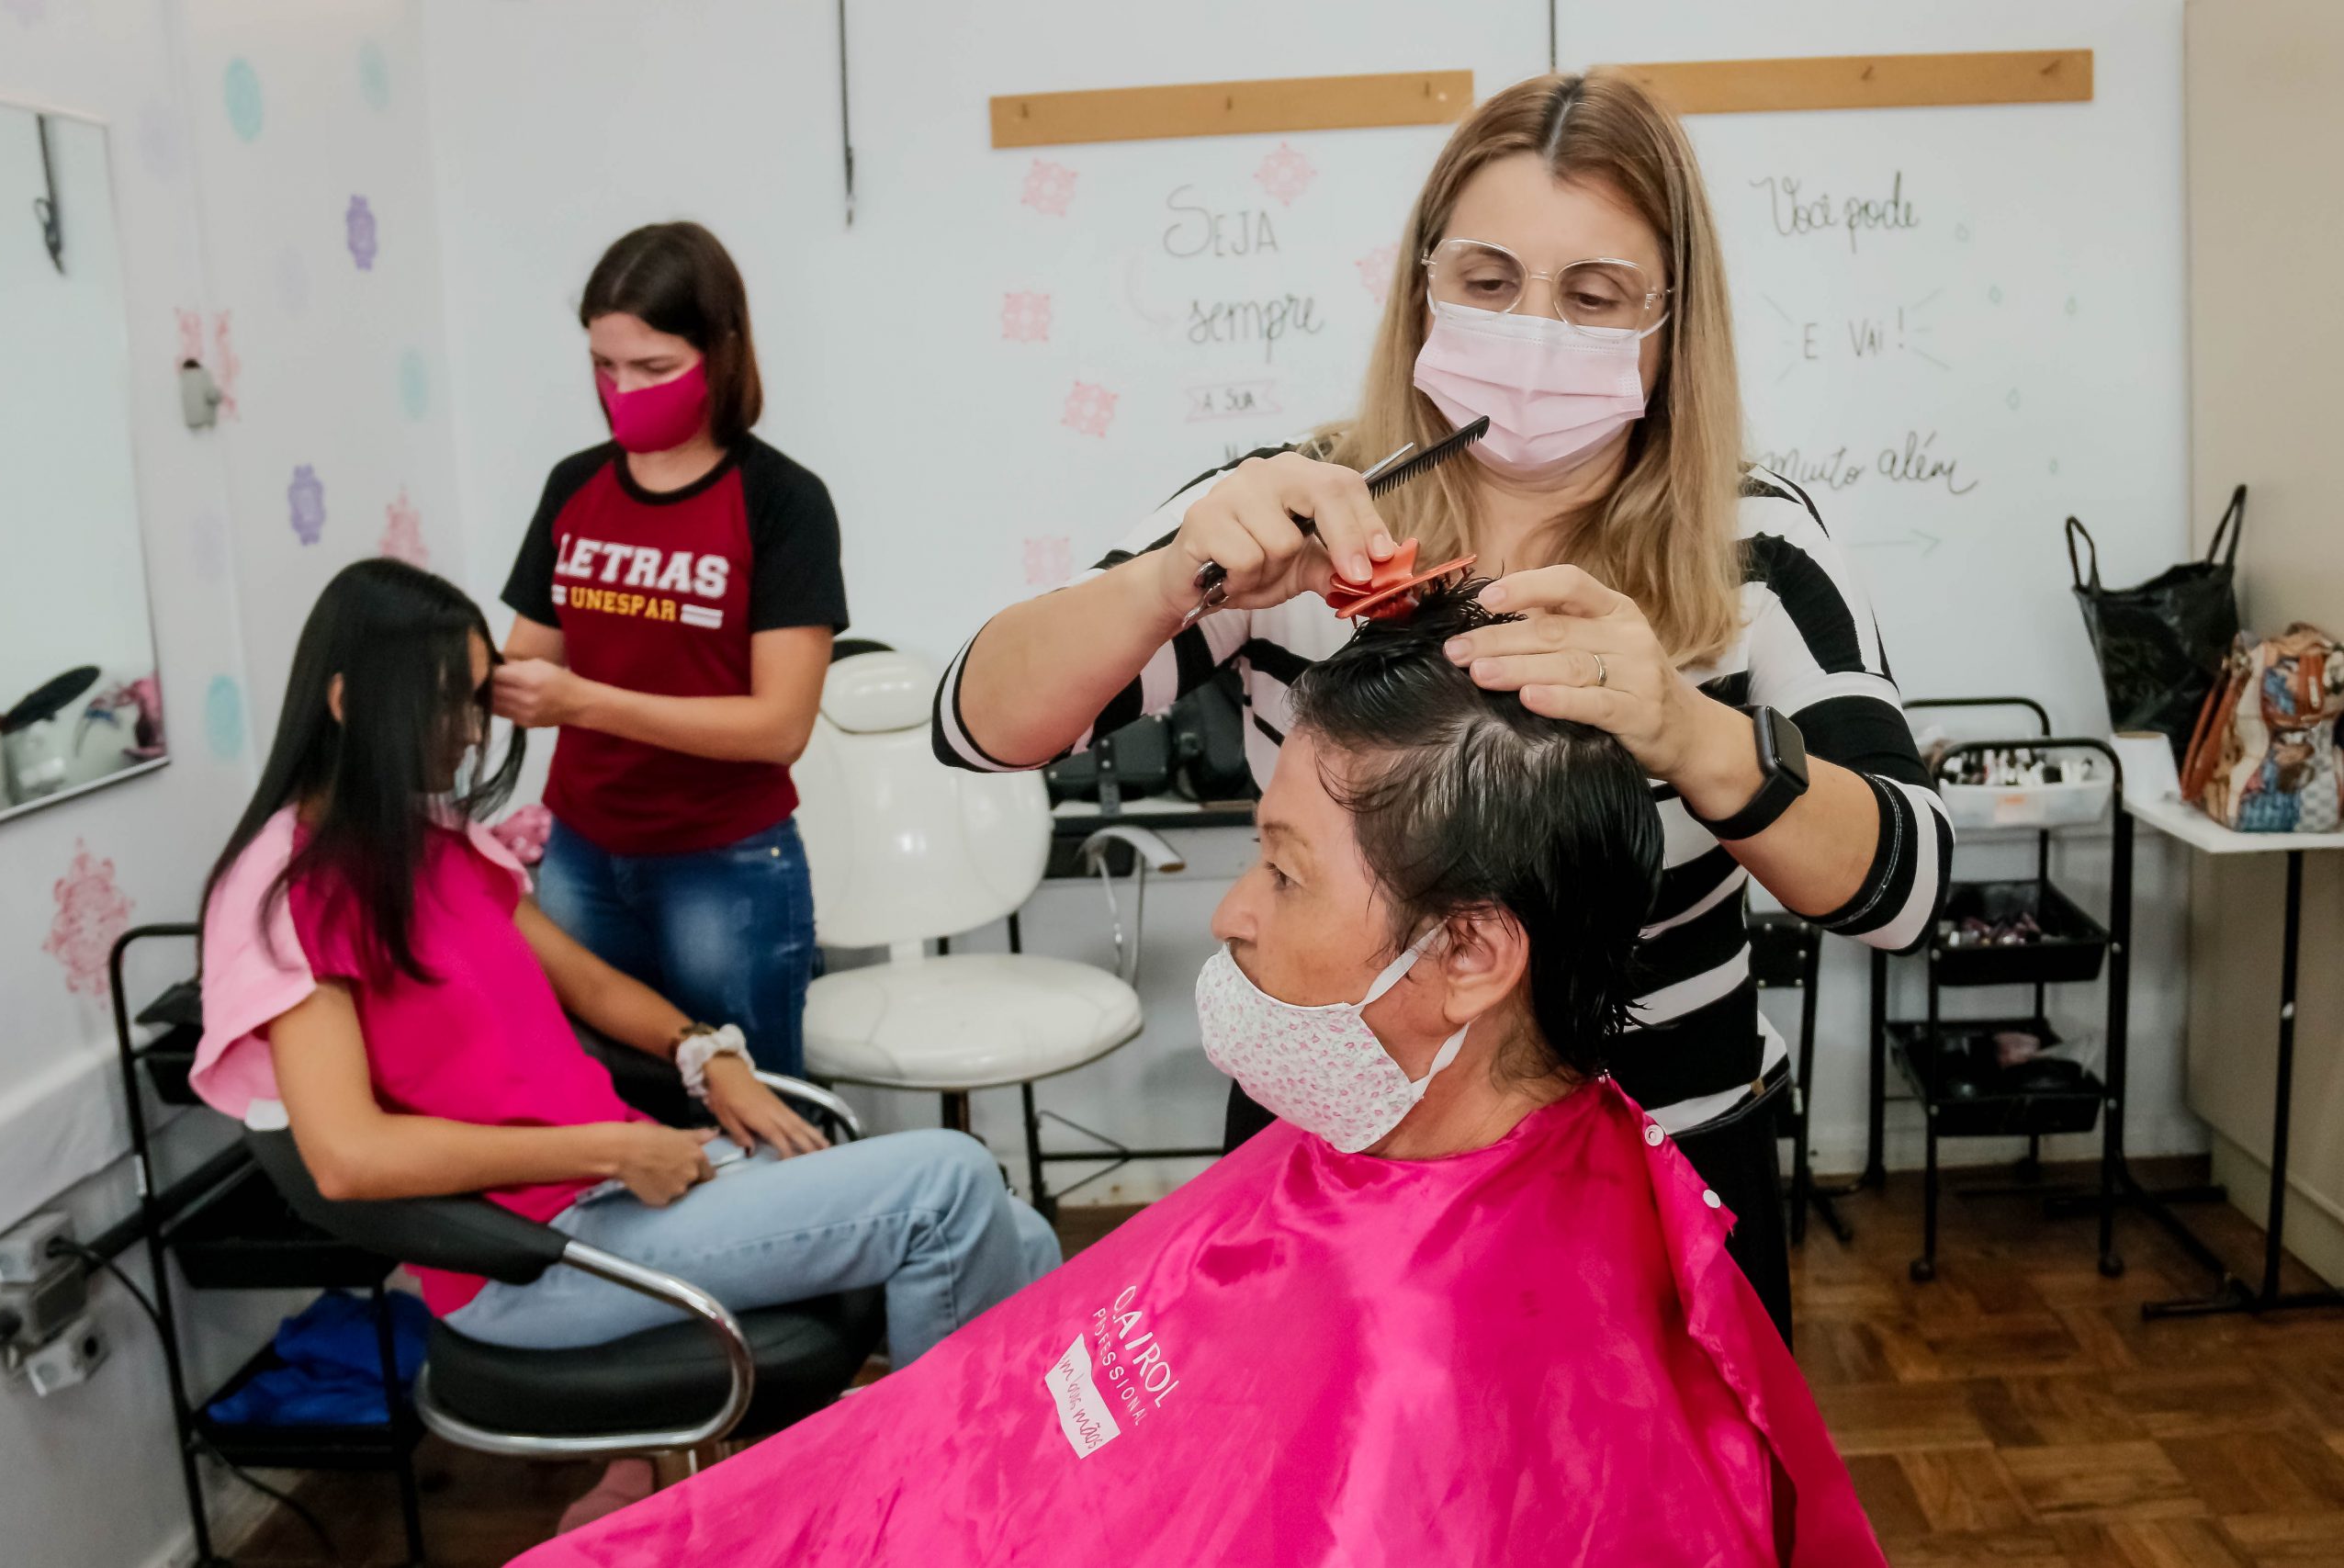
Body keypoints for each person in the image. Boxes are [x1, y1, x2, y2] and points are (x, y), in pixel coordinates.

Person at [514, 583, 1887, 1567]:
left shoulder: (1474, 1365)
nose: (1231, 915)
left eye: (1282, 870)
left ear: (1468, 949)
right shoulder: (1381, 1136)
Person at [933, 70, 1954, 1342]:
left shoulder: (1750, 547)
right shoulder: (1298, 509)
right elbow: (977, 722)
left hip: (1661, 1179)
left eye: (1593, 297)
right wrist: (1173, 579)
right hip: (1337, 1165)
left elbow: (1907, 887)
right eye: (1486, 280)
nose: (1534, 329)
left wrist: (1689, 730)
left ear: (1669, 322)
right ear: (1422, 280)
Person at [191, 561, 1058, 1528]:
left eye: (476, 701)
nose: (472, 732)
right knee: (945, 1182)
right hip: (535, 1254)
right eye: (446, 705)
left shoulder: (427, 845)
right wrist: (609, 1149)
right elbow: (348, 1159)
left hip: (625, 1184)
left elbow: (591, 985)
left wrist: (704, 1053)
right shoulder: (290, 896)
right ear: (349, 701)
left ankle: (1011, 1482)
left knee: (1013, 1230)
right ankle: (940, 1510)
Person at [497, 221, 844, 1077]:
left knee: (755, 1106)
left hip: (722, 867)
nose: (623, 390)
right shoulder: (573, 485)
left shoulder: (783, 502)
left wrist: (584, 702)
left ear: (722, 353)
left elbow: (778, 727)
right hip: (578, 854)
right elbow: (524, 655)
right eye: (604, 367)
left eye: (653, 369)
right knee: (613, 1100)